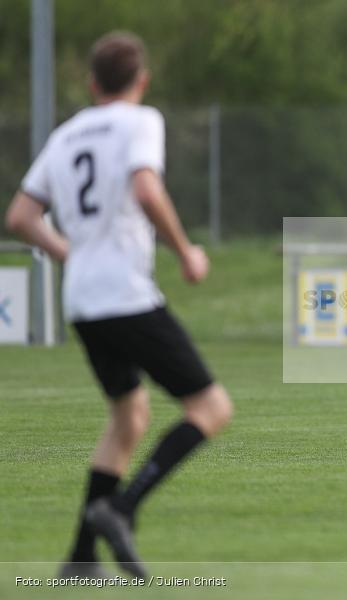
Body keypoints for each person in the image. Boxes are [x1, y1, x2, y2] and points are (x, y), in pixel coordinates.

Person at [5, 32, 233, 578]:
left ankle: (81, 558)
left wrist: (70, 253)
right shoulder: (140, 120)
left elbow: (19, 216)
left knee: (128, 417)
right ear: (141, 81)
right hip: (125, 295)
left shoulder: (64, 135)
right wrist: (186, 253)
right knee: (211, 408)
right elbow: (147, 189)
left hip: (82, 299)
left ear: (91, 83)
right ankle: (120, 509)